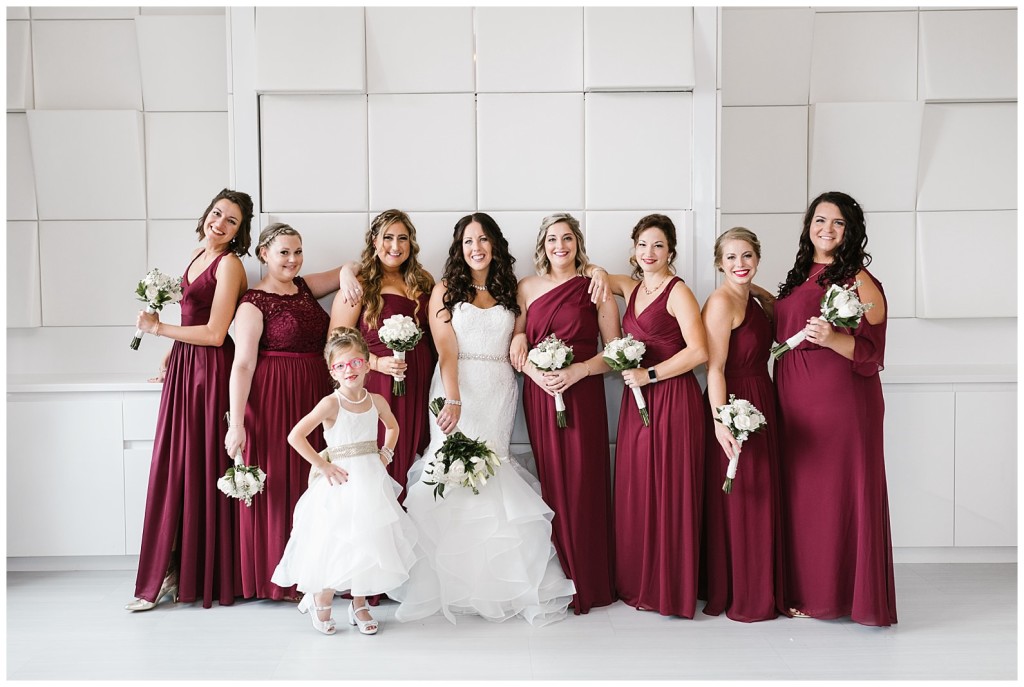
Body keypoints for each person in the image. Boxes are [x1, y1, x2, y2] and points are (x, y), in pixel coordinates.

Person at [402, 212, 576, 626]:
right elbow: (445, 349)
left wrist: (519, 335)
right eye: (467, 242)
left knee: (493, 472)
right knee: (453, 471)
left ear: (494, 244)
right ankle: (450, 583)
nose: (475, 248)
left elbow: (522, 335)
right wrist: (454, 397)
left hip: (499, 387)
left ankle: (501, 583)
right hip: (456, 387)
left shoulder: (510, 289)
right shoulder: (445, 290)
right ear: (459, 249)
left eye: (482, 239)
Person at [126, 188, 254, 611]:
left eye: (231, 221)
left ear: (239, 232)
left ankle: (190, 571)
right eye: (217, 213)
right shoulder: (198, 253)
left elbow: (217, 334)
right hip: (185, 368)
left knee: (196, 466)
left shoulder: (230, 264)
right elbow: (192, 320)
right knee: (174, 466)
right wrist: (171, 352)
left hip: (210, 373)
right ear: (206, 215)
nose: (220, 223)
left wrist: (158, 330)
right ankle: (172, 567)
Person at [773, 191, 896, 627]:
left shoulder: (859, 278)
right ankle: (806, 587)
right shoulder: (801, 274)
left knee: (832, 495)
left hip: (839, 402)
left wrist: (830, 338)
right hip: (794, 403)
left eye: (838, 223)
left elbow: (872, 347)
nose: (826, 229)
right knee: (804, 496)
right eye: (819, 220)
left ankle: (833, 597)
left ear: (850, 231)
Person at [272, 328, 429, 635]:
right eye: (341, 366)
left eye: (355, 363)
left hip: (370, 479)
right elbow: (295, 436)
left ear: (367, 364)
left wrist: (385, 453)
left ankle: (359, 604)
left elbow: (393, 428)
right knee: (337, 539)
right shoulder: (331, 403)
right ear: (332, 370)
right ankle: (322, 600)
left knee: (368, 539)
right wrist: (323, 465)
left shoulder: (377, 400)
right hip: (340, 483)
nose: (349, 370)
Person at [224, 223, 343, 602]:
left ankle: (317, 571)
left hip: (315, 391)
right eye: (283, 253)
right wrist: (237, 423)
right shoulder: (252, 302)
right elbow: (242, 365)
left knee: (315, 481)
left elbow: (348, 269)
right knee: (279, 484)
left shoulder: (306, 287)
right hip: (273, 397)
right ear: (264, 254)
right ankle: (278, 578)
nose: (292, 260)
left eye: (298, 252)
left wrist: (352, 278)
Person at [509, 213, 619, 614]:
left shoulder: (595, 286)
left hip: (584, 394)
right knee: (552, 482)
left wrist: (578, 370)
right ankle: (559, 576)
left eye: (568, 238)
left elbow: (615, 351)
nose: (560, 245)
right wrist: (537, 373)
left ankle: (591, 580)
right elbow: (516, 345)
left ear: (577, 243)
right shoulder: (527, 287)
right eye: (553, 238)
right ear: (543, 244)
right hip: (540, 396)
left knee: (585, 480)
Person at [601, 214, 708, 618]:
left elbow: (699, 351)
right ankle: (638, 580)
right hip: (638, 402)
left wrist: (649, 374)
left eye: (658, 245)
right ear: (633, 250)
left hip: (673, 397)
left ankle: (669, 587)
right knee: (640, 487)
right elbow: (604, 278)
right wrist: (594, 271)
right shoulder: (634, 288)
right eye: (643, 245)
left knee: (669, 489)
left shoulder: (678, 292)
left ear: (671, 252)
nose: (649, 252)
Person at [699, 227, 785, 622]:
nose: (740, 264)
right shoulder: (721, 303)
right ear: (718, 263)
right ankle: (744, 591)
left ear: (757, 259)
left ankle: (764, 585)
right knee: (743, 500)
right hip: (732, 401)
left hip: (763, 396)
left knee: (764, 495)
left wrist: (763, 293)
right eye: (731, 258)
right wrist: (721, 423)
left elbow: (771, 301)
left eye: (747, 256)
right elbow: (714, 368)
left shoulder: (753, 298)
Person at [330, 210, 436, 500]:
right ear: (374, 241)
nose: (395, 246)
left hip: (418, 382)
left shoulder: (423, 280)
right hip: (377, 384)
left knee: (414, 452)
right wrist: (376, 363)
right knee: (382, 453)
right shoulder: (360, 283)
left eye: (402, 238)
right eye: (388, 237)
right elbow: (336, 341)